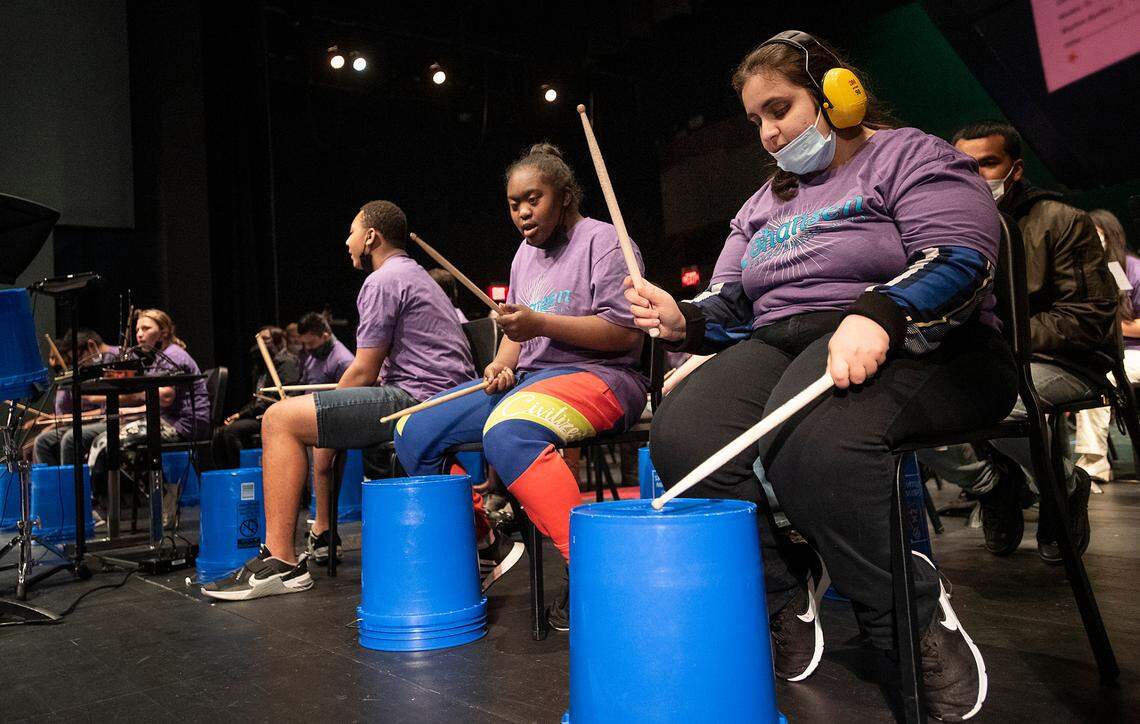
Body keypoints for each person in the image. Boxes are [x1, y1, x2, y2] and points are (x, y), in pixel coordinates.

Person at [626, 32, 1017, 720]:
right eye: (757, 122)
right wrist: (684, 318)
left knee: (813, 445)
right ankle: (786, 586)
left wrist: (882, 308)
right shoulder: (760, 205)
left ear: (839, 93)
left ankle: (909, 621)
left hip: (927, 341)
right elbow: (732, 302)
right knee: (684, 437)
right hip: (786, 339)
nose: (770, 134)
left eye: (780, 109)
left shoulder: (911, 154)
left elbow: (961, 255)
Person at [394, 142, 649, 630]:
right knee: (412, 429)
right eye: (514, 204)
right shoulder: (523, 256)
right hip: (533, 382)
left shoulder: (606, 242)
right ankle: (486, 541)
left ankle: (596, 572)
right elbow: (516, 331)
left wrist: (542, 325)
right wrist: (502, 363)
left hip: (606, 378)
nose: (523, 213)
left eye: (534, 199)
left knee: (508, 433)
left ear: (566, 196)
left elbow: (625, 334)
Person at [202, 200, 476, 601]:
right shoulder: (414, 275)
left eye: (351, 233)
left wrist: (323, 418)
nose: (346, 243)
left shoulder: (382, 281)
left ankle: (281, 560)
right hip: (435, 395)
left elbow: (364, 371)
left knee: (279, 419)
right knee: (310, 419)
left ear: (370, 236)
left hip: (417, 401)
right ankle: (321, 530)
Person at [918, 121, 1116, 564]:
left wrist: (1002, 338)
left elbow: (1087, 319)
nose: (976, 175)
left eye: (988, 163)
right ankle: (994, 485)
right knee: (909, 406)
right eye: (964, 165)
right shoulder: (949, 226)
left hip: (1066, 360)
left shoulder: (1062, 220)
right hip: (991, 360)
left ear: (1016, 167)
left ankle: (1061, 487)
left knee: (1001, 401)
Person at [87, 309, 212, 522]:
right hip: (168, 420)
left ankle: (107, 506)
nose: (139, 334)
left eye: (146, 328)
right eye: (137, 330)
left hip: (184, 425)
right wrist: (133, 409)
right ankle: (164, 495)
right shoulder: (161, 356)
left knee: (108, 443)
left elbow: (165, 396)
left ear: (163, 332)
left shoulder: (173, 355)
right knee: (109, 442)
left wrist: (134, 396)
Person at [1074, 209, 1139, 481]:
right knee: (1086, 378)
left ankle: (1092, 462)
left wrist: (1112, 327)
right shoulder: (1083, 273)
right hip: (1102, 353)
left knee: (1102, 379)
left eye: (1095, 236)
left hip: (1134, 352)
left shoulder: (1130, 269)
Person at [212, 326, 300, 469]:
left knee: (230, 432)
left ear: (277, 341)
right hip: (258, 413)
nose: (261, 343)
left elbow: (276, 396)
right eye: (260, 339)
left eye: (266, 339)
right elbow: (257, 398)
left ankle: (241, 470)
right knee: (220, 432)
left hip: (272, 413)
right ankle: (229, 472)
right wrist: (240, 414)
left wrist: (243, 414)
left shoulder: (286, 363)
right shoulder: (262, 366)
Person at [33, 329, 121, 466]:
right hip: (106, 417)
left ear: (91, 346)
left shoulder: (117, 358)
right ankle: (57, 484)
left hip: (118, 419)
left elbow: (127, 396)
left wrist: (93, 399)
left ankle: (73, 485)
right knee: (42, 441)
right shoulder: (99, 362)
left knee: (70, 438)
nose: (81, 364)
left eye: (80, 358)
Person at [295, 312, 353, 386]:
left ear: (325, 336)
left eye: (311, 343)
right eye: (304, 343)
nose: (307, 347)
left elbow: (345, 395)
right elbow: (303, 384)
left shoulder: (343, 362)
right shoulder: (313, 355)